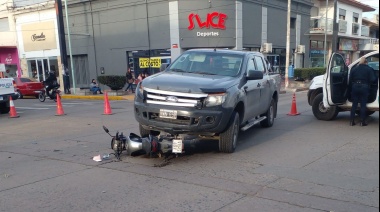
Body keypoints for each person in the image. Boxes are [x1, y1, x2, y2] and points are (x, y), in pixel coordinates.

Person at [349, 57, 376, 126]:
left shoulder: (354, 69)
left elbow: (350, 78)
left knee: (354, 104)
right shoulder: (369, 69)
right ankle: (362, 122)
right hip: (364, 87)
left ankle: (351, 121)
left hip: (355, 86)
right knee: (363, 105)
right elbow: (373, 79)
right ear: (366, 62)